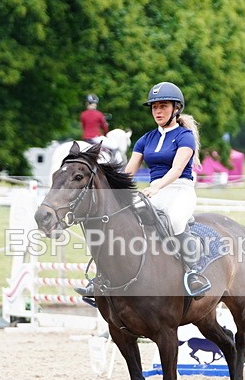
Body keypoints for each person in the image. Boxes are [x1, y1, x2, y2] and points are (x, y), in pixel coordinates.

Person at [75, 81, 210, 298]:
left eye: (163, 106)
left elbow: (177, 169)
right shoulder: (146, 139)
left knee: (175, 221)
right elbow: (128, 172)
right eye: (155, 107)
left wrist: (156, 186)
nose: (158, 111)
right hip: (153, 192)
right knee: (120, 222)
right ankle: (103, 277)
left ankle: (193, 273)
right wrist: (110, 193)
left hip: (180, 190)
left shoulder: (184, 137)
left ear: (176, 108)